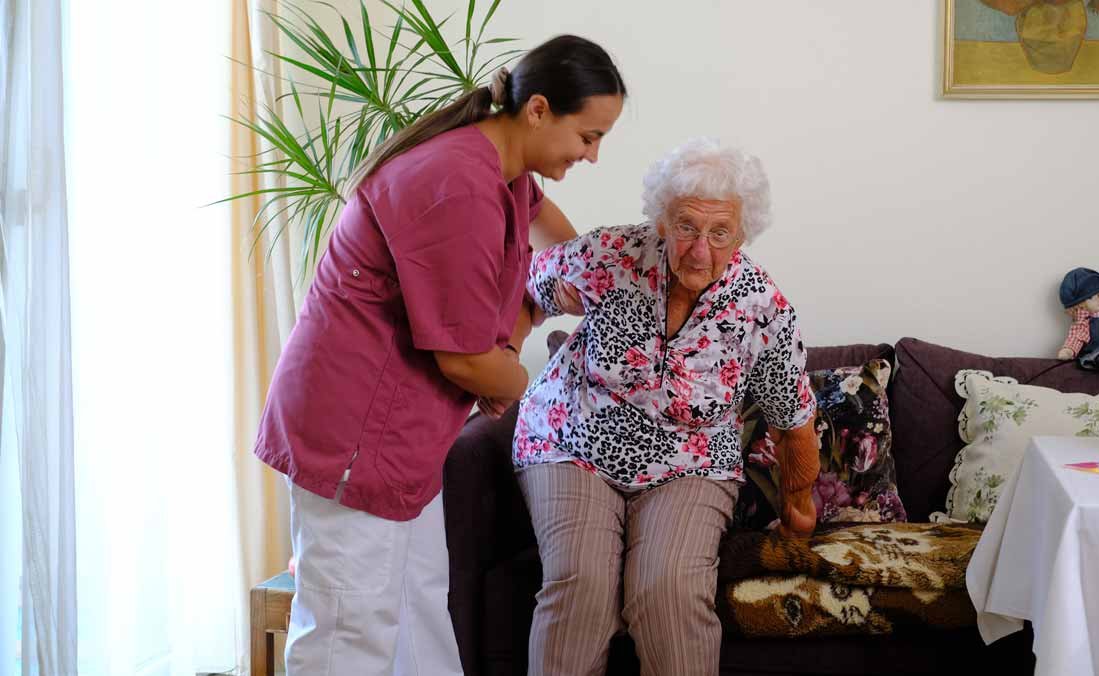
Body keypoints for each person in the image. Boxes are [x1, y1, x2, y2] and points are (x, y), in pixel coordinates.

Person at [253, 35, 626, 675]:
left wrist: (600, 287)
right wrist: (514, 349)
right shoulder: (456, 185)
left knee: (418, 615)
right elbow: (468, 363)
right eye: (587, 136)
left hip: (404, 438)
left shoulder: (505, 174)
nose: (592, 155)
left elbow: (560, 252)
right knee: (350, 634)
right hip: (354, 431)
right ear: (538, 110)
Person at [514, 137, 820, 676]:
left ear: (742, 234)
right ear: (662, 221)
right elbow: (528, 284)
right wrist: (503, 358)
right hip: (571, 442)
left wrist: (798, 505)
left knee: (668, 591)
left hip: (690, 465)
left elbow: (791, 419)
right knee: (579, 583)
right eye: (686, 227)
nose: (700, 249)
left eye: (719, 232)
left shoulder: (762, 309)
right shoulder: (610, 255)